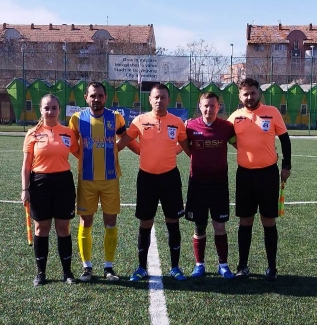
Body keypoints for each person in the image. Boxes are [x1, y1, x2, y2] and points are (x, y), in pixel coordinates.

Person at [119, 84, 193, 282]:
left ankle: (175, 267)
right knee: (145, 222)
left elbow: (187, 148)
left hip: (170, 178)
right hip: (146, 179)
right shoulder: (140, 120)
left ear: (169, 100)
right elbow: (124, 142)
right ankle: (141, 267)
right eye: (156, 97)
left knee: (173, 221)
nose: (159, 100)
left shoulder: (177, 122)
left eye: (163, 97)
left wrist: (200, 162)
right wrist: (106, 152)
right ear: (150, 100)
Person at [229, 78, 292, 281]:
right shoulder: (235, 117)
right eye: (245, 94)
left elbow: (285, 139)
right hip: (245, 175)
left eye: (253, 93)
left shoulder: (272, 112)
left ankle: (272, 268)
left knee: (268, 220)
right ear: (240, 96)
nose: (249, 97)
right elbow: (226, 136)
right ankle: (242, 266)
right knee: (245, 220)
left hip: (268, 175)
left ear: (259, 93)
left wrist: (286, 166)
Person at [68, 82, 130, 282]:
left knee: (110, 223)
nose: (97, 99)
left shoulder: (116, 117)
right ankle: (87, 267)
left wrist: (114, 149)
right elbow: (71, 143)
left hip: (110, 179)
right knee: (86, 221)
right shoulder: (77, 119)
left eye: (100, 96)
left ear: (106, 97)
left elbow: (125, 137)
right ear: (86, 97)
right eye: (93, 95)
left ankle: (108, 267)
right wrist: (83, 157)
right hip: (87, 179)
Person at [22, 95, 80, 285]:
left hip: (63, 183)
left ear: (59, 110)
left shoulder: (68, 133)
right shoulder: (32, 134)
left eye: (54, 108)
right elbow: (26, 165)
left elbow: (80, 153)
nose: (50, 111)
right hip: (40, 183)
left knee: (63, 227)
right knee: (41, 228)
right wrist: (24, 189)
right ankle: (41, 272)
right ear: (41, 110)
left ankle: (67, 272)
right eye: (46, 108)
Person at [184, 92, 236, 279]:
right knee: (199, 226)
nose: (209, 109)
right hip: (197, 183)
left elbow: (240, 145)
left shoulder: (227, 128)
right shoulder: (190, 126)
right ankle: (200, 265)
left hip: (219, 184)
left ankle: (223, 265)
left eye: (212, 106)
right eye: (205, 105)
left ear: (218, 107)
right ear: (200, 107)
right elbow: (184, 146)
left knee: (219, 226)